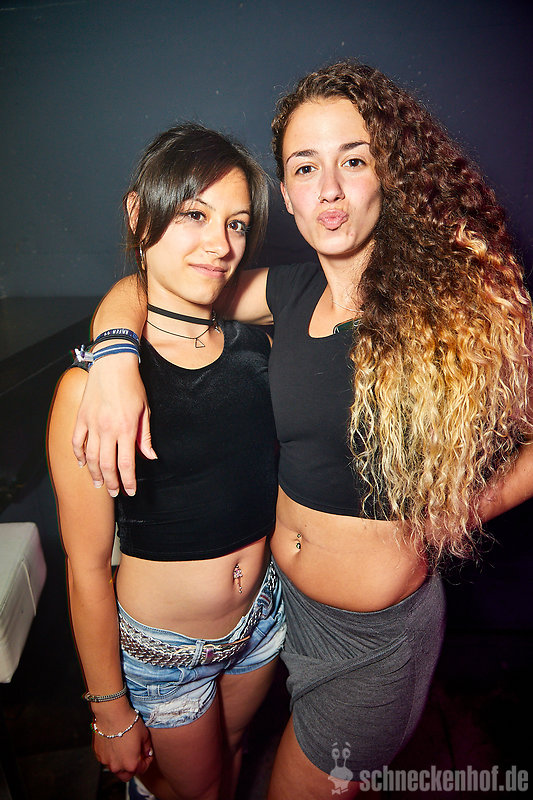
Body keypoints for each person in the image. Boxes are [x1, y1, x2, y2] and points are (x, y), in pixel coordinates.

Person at [71, 62, 533, 799]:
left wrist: (457, 505)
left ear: (389, 173)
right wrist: (115, 354)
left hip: (374, 645)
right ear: (285, 194)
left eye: (354, 160)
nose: (329, 190)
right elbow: (162, 287)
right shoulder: (288, 292)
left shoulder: (450, 305)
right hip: (285, 614)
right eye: (305, 167)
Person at [47, 123, 286, 800]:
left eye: (236, 224)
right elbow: (86, 567)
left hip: (261, 620)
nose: (220, 244)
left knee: (234, 757)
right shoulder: (91, 391)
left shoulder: (257, 348)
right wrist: (108, 707)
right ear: (138, 213)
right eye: (194, 214)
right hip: (164, 654)